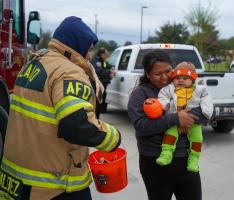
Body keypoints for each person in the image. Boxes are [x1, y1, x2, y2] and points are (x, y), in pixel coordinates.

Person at [0, 16, 121, 200]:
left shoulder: (35, 63)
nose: (90, 54)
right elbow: (76, 125)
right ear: (77, 44)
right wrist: (113, 138)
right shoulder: (68, 72)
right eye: (89, 48)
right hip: (54, 185)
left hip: (15, 181)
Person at [128, 50, 208, 200]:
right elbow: (141, 125)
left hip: (186, 160)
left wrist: (190, 117)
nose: (165, 77)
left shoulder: (186, 85)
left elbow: (207, 111)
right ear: (147, 73)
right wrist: (175, 119)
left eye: (168, 71)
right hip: (155, 162)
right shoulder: (140, 93)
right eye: (158, 74)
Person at [144, 62, 213, 172]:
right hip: (175, 119)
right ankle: (166, 153)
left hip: (193, 122)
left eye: (185, 78)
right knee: (170, 134)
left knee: (197, 138)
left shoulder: (200, 90)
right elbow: (162, 96)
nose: (181, 80)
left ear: (192, 80)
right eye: (177, 78)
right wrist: (165, 105)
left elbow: (207, 101)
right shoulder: (169, 89)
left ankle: (194, 159)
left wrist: (205, 112)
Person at [91, 48, 116, 116]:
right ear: (102, 54)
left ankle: (97, 117)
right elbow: (99, 72)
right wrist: (110, 72)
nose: (107, 57)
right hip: (96, 85)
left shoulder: (102, 60)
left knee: (101, 102)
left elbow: (107, 65)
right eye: (106, 55)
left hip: (102, 85)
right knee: (97, 103)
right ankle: (95, 118)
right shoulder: (96, 61)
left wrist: (112, 68)